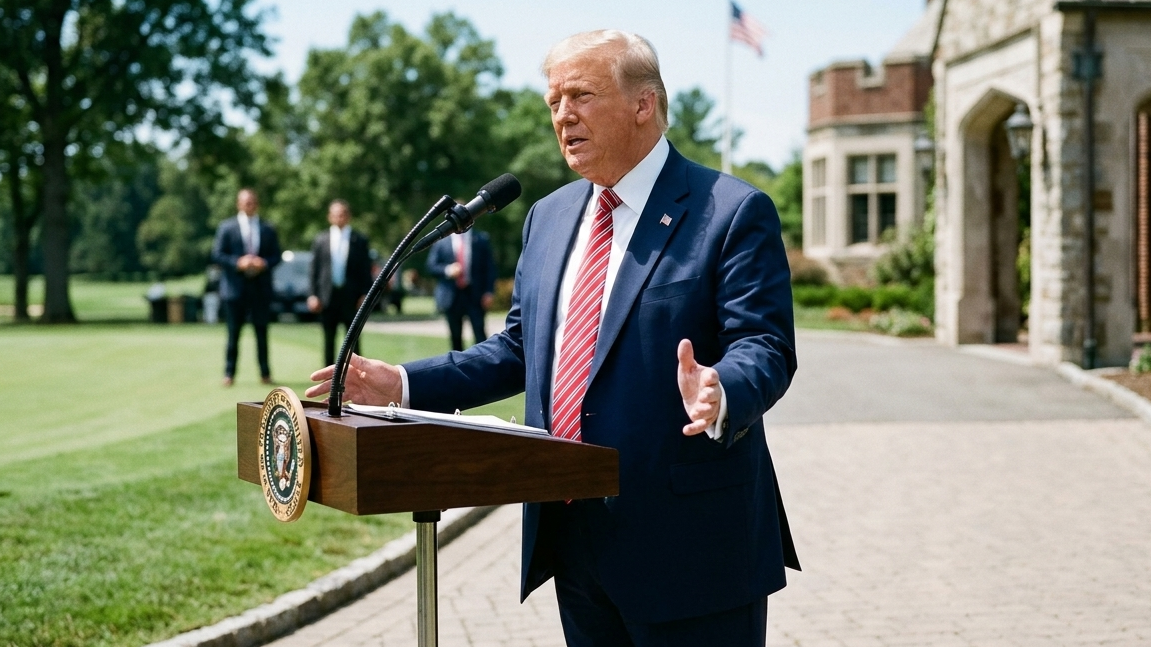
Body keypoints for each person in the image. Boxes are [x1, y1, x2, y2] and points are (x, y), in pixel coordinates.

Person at [307, 30, 798, 647]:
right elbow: (517, 349)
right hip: (573, 539)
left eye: (582, 96)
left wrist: (721, 389)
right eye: (553, 101)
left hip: (691, 546)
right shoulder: (550, 215)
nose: (562, 115)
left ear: (643, 104)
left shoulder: (730, 210)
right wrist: (403, 382)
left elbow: (766, 345)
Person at [211, 188, 281, 386]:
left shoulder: (268, 228)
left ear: (256, 204)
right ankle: (229, 373)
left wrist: (264, 263)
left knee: (262, 333)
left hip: (260, 289)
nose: (249, 205)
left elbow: (277, 255)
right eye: (245, 202)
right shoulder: (227, 227)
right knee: (233, 334)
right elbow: (217, 254)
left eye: (252, 202)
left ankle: (265, 373)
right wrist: (237, 262)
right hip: (235, 289)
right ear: (238, 204)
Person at [307, 199, 373, 366]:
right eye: (335, 215)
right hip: (327, 297)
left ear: (348, 216)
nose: (339, 218)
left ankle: (356, 377)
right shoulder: (321, 239)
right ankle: (328, 380)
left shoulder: (359, 240)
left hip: (352, 297)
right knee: (329, 340)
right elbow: (314, 270)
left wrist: (365, 293)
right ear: (330, 217)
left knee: (353, 341)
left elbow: (366, 270)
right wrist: (312, 295)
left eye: (342, 214)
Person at [426, 228, 497, 351]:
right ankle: (458, 368)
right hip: (452, 297)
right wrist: (447, 270)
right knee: (455, 337)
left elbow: (490, 267)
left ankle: (483, 366)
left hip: (474, 295)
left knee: (480, 334)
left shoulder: (480, 239)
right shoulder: (442, 242)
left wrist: (489, 291)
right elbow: (431, 266)